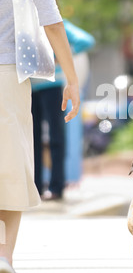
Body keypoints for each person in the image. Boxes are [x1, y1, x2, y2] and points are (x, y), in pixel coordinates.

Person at [0, 0, 80, 273]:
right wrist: (71, 78)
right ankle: (5, 257)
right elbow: (52, 21)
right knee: (13, 167)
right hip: (10, 75)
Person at [32, 20, 95, 201]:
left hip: (52, 85)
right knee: (31, 139)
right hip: (29, 86)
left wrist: (60, 56)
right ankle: (35, 188)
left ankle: (56, 187)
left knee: (56, 137)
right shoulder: (24, 20)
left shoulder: (54, 20)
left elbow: (86, 40)